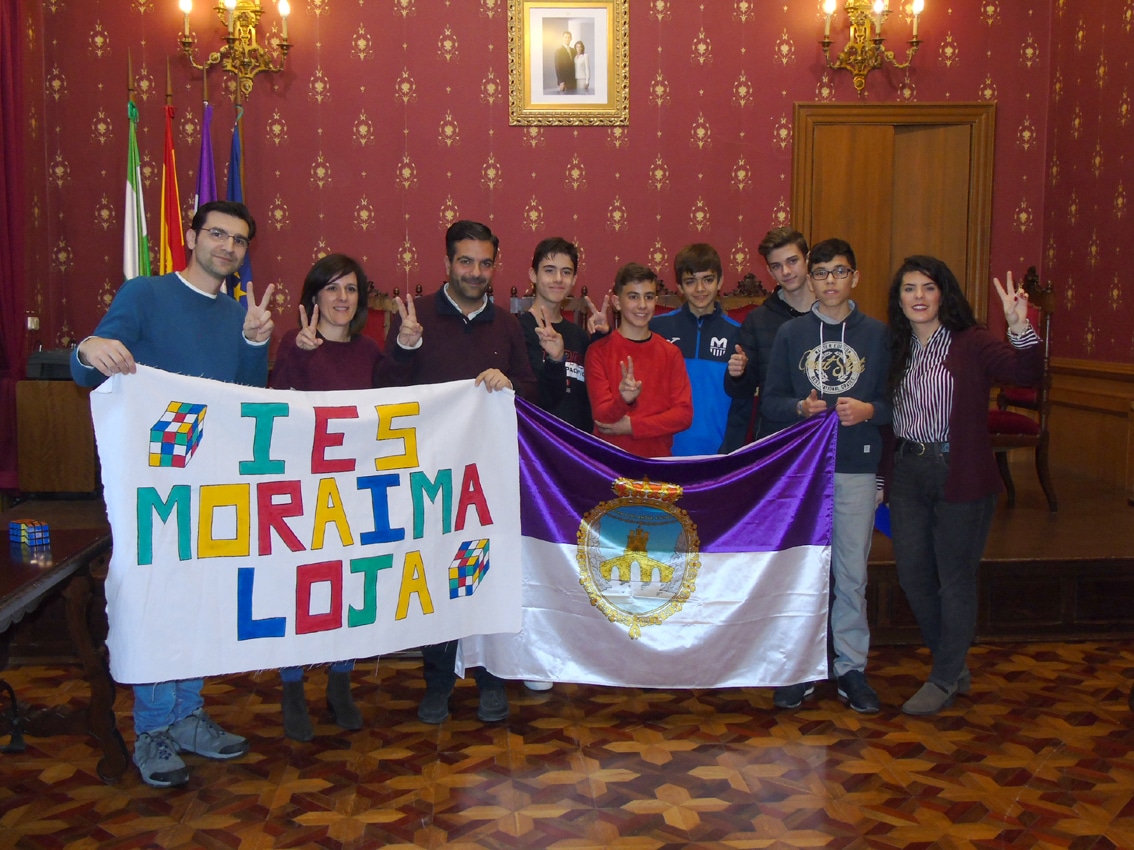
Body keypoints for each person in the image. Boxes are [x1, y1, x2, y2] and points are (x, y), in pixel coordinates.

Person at [70, 200, 274, 787]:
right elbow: (91, 370)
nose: (227, 248)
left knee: (199, 601)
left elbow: (247, 398)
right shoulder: (144, 294)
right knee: (157, 601)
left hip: (213, 481)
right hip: (152, 483)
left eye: (238, 240)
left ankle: (187, 715)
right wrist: (87, 349)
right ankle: (152, 728)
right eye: (217, 234)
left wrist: (256, 342)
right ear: (191, 236)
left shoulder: (238, 312)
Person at [379, 219, 538, 725]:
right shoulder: (415, 317)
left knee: (486, 574)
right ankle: (439, 681)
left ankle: (491, 678)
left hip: (489, 480)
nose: (475, 272)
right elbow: (384, 391)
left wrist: (508, 381)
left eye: (485, 263)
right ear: (447, 262)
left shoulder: (508, 325)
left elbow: (532, 395)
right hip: (431, 479)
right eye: (465, 261)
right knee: (435, 579)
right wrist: (405, 348)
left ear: (495, 265)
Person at [886, 257, 1042, 715]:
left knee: (954, 578)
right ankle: (952, 663)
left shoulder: (971, 341)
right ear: (898, 300)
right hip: (908, 472)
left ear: (944, 294)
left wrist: (1019, 327)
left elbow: (1026, 374)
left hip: (961, 471)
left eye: (928, 287)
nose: (918, 296)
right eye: (909, 288)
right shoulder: (895, 345)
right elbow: (884, 420)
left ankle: (942, 675)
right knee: (914, 575)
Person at [761, 238, 891, 714]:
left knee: (851, 573)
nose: (830, 281)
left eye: (840, 271)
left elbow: (898, 406)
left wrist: (869, 408)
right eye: (822, 273)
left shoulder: (877, 335)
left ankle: (851, 666)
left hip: (856, 466)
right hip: (803, 473)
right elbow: (770, 401)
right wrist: (800, 407)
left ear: (854, 277)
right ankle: (801, 667)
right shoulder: (792, 335)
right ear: (810, 280)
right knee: (803, 573)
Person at [270, 253, 383, 740]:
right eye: (332, 288)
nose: (342, 299)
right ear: (314, 296)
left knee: (349, 587)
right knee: (300, 589)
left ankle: (341, 683)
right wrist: (297, 353)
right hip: (304, 489)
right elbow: (271, 408)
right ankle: (292, 687)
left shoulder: (371, 353)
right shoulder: (292, 347)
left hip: (357, 490)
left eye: (351, 289)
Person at [649, 243, 749, 456]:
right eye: (690, 281)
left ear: (720, 281)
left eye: (708, 279)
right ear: (679, 286)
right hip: (664, 450)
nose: (700, 289)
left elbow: (742, 404)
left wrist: (729, 452)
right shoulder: (657, 329)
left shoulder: (738, 334)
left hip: (717, 454)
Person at [585, 262, 693, 458]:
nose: (642, 305)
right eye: (633, 297)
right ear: (617, 302)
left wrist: (633, 426)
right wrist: (623, 400)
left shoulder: (671, 353)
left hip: (658, 463)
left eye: (649, 297)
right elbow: (602, 418)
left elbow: (684, 415)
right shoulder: (598, 351)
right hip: (611, 463)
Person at [726, 227, 815, 451]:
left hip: (823, 436)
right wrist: (738, 373)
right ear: (769, 271)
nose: (786, 271)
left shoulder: (832, 313)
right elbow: (740, 391)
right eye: (777, 266)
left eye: (792, 261)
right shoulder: (758, 320)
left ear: (808, 259)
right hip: (775, 439)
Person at [519, 236, 610, 432]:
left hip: (578, 445)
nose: (558, 279)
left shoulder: (579, 336)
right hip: (538, 443)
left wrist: (601, 341)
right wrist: (554, 360)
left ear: (574, 280)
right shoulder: (517, 329)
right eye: (549, 270)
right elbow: (532, 397)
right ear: (533, 275)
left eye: (566, 272)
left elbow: (594, 394)